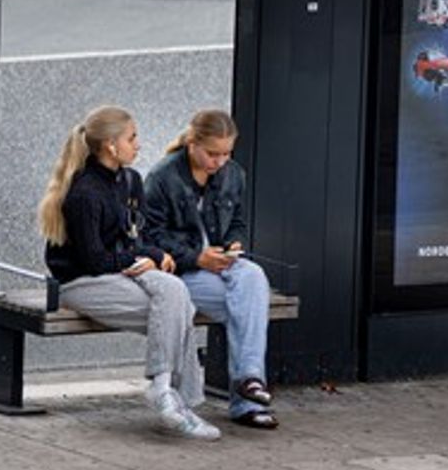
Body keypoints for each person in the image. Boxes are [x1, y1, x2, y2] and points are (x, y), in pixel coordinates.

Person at [39, 105, 219, 441]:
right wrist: (145, 256)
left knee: (175, 295)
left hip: (122, 272)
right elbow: (93, 260)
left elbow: (138, 237)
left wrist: (151, 255)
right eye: (132, 138)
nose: (138, 144)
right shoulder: (85, 193)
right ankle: (178, 402)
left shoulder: (130, 181)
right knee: (179, 309)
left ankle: (165, 389)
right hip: (81, 283)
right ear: (110, 146)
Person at [143, 108, 276, 430]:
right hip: (183, 273)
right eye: (212, 153)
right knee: (248, 304)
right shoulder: (163, 178)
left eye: (226, 153)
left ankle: (249, 379)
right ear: (192, 143)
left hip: (220, 265)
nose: (219, 161)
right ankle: (245, 399)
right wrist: (197, 258)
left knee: (253, 276)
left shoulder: (233, 174)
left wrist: (232, 244)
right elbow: (150, 236)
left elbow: (238, 222)